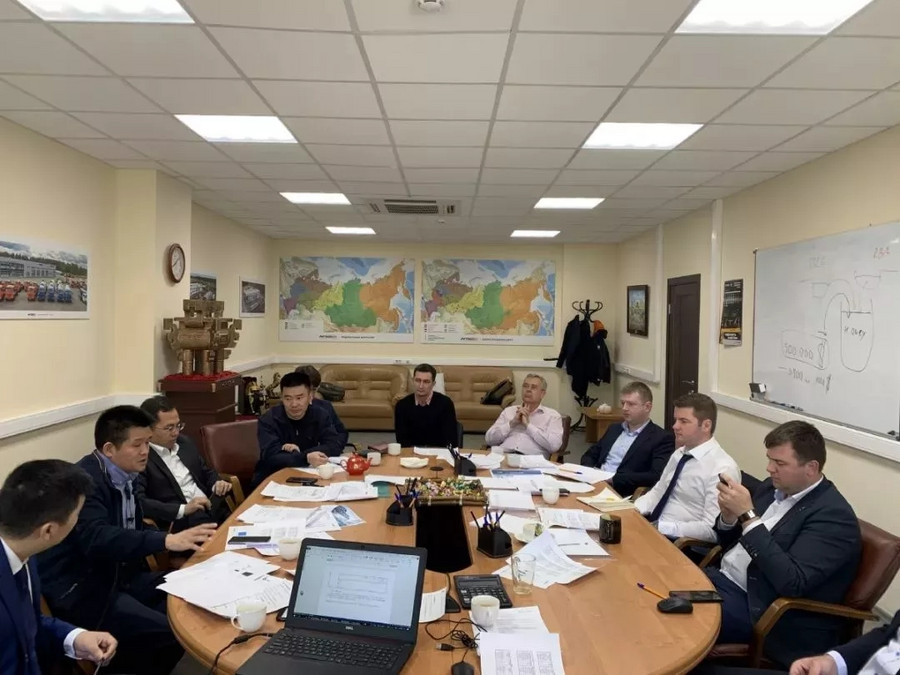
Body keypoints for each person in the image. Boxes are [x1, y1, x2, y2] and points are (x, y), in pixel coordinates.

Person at [37, 405, 218, 675]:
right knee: (173, 632)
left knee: (192, 591)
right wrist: (166, 541)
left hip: (122, 575)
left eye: (147, 442)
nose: (146, 451)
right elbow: (98, 537)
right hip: (87, 589)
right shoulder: (83, 484)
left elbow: (131, 526)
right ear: (109, 449)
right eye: (137, 444)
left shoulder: (128, 474)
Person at [708, 420, 861, 667]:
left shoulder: (833, 517)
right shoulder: (771, 488)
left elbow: (792, 582)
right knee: (656, 585)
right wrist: (728, 518)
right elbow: (729, 542)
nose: (769, 469)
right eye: (769, 459)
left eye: (780, 463)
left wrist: (747, 516)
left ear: (811, 468)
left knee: (670, 620)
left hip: (759, 608)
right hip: (720, 579)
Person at [1, 460, 118, 675]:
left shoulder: (24, 551)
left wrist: (73, 637)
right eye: (77, 514)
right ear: (49, 531)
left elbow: (25, 622)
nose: (78, 521)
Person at [634, 393, 740, 543]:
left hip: (679, 542)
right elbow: (658, 491)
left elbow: (711, 529)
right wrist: (632, 510)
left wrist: (662, 527)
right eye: (676, 420)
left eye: (683, 421)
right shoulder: (680, 453)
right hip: (652, 527)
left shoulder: (722, 468)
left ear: (706, 425)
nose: (675, 426)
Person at [139, 395, 232, 532]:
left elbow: (205, 471)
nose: (175, 433)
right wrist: (183, 509)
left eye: (178, 426)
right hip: (181, 520)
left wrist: (216, 483)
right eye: (169, 428)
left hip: (210, 506)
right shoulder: (140, 457)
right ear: (148, 429)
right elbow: (140, 502)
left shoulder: (184, 443)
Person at [580, 381, 675, 496]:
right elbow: (590, 455)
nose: (624, 408)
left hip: (620, 491)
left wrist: (613, 479)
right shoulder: (614, 429)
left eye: (631, 404)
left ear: (647, 407)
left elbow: (655, 475)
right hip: (593, 483)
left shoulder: (661, 438)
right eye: (623, 403)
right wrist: (590, 472)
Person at [254, 371, 343, 486]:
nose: (294, 404)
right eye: (288, 399)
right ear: (281, 398)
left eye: (299, 398)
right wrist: (305, 457)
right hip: (274, 479)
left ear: (310, 397)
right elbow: (272, 457)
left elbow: (334, 445)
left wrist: (300, 454)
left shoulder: (320, 415)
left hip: (311, 476)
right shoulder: (269, 419)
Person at [485, 374, 564, 457]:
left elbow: (554, 446)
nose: (528, 390)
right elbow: (489, 440)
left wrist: (528, 426)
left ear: (542, 394)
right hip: (503, 456)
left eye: (533, 387)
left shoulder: (552, 416)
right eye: (525, 386)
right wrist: (511, 424)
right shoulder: (508, 411)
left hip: (531, 460)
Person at [394, 363, 459, 448]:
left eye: (426, 382)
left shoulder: (445, 404)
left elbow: (451, 440)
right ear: (413, 381)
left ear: (433, 384)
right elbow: (402, 441)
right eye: (418, 380)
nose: (421, 386)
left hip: (438, 452)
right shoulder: (402, 406)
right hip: (411, 453)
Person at [294, 364, 349, 447]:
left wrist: (334, 447)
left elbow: (341, 433)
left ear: (318, 387)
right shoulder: (284, 409)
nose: (310, 394)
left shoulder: (326, 406)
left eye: (313, 390)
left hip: (324, 451)